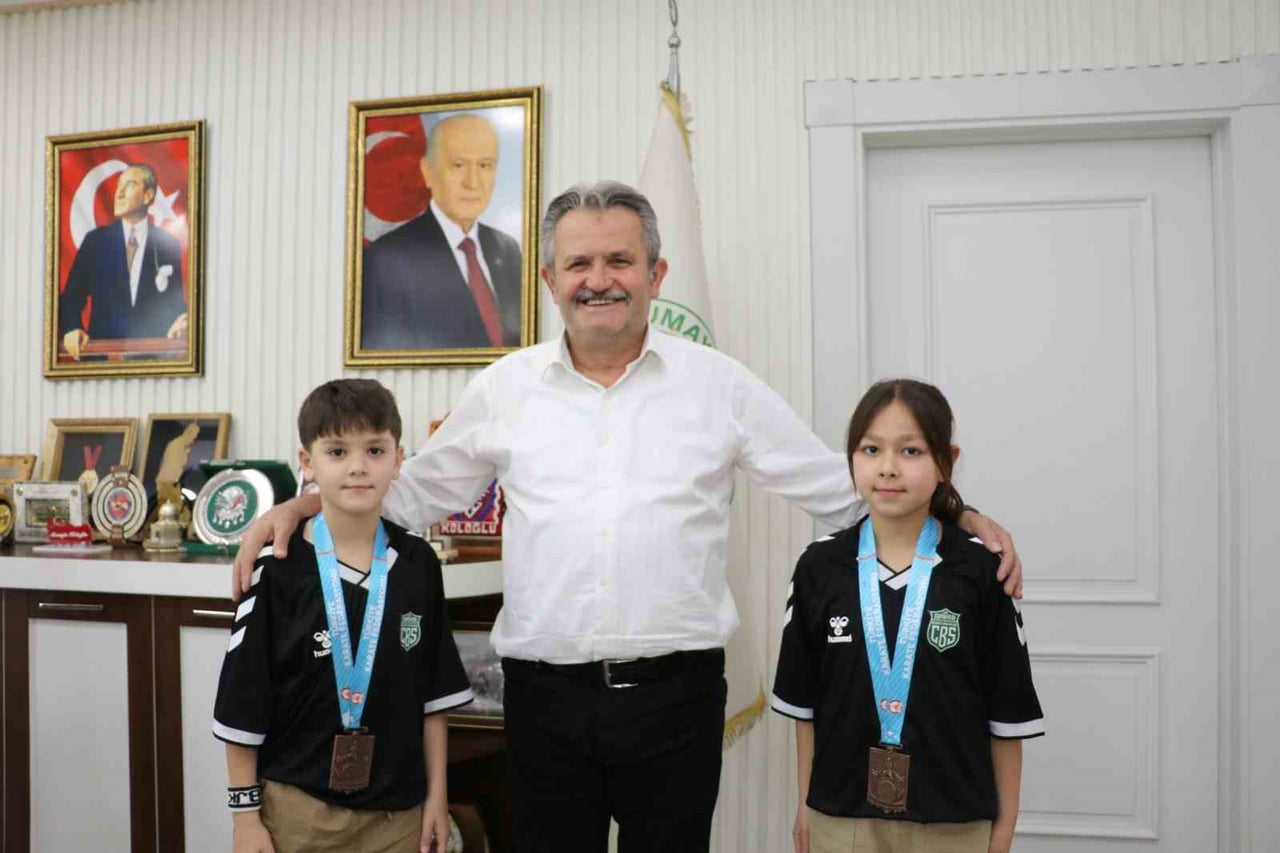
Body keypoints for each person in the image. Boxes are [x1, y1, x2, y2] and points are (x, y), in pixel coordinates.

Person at [233, 182, 1023, 853]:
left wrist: (961, 513)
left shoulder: (720, 385)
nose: (599, 279)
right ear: (550, 280)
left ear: (656, 273)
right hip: (543, 703)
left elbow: (843, 489)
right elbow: (404, 497)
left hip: (675, 702)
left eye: (619, 260)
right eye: (579, 263)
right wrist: (301, 503)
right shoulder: (506, 388)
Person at [772, 379, 1043, 853]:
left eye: (911, 451)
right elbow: (806, 710)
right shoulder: (818, 567)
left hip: (954, 821)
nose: (888, 467)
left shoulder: (981, 570)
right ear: (851, 458)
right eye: (871, 449)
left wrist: (1004, 827)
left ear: (946, 463)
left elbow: (1006, 715)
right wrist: (806, 803)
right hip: (840, 815)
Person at [213, 379, 473, 853]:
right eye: (337, 452)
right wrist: (245, 818)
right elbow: (243, 701)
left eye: (375, 450)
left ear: (399, 458)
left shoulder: (418, 564)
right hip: (298, 813)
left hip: (399, 816)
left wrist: (437, 797)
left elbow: (433, 699)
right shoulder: (276, 568)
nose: (357, 467)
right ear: (307, 461)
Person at [361, 112, 523, 350]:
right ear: (428, 172)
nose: (473, 182)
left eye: (484, 165)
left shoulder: (507, 249)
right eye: (458, 165)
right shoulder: (387, 259)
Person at [59, 163, 188, 359]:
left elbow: (174, 302)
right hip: (102, 361)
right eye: (119, 185)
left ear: (148, 196)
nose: (118, 193)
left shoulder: (168, 244)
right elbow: (71, 298)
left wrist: (183, 320)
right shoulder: (96, 241)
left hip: (151, 362)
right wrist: (72, 328)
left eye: (129, 185)